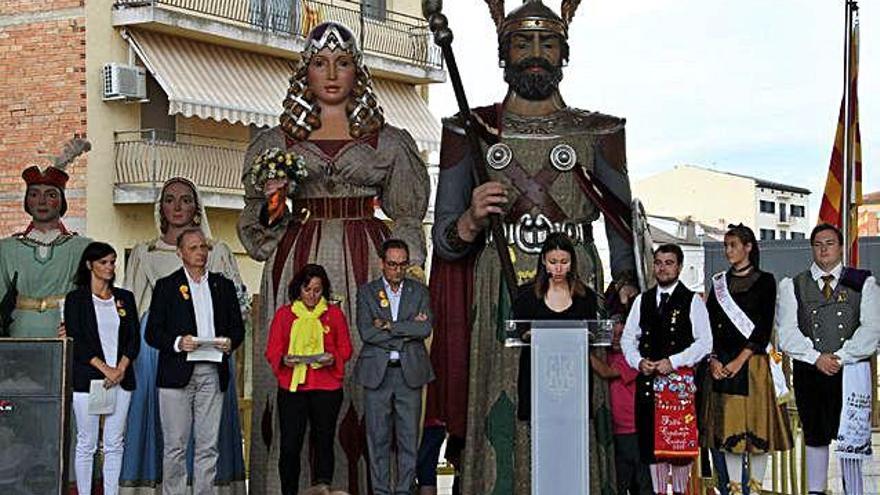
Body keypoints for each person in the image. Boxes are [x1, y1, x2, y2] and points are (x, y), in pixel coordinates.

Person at [425, 1, 639, 492]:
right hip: (499, 286)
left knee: (578, 400)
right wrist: (473, 216)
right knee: (505, 400)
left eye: (548, 43)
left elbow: (622, 228)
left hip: (580, 284)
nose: (536, 53)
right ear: (504, 52)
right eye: (523, 43)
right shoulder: (469, 129)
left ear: (565, 51)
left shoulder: (599, 130)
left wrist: (625, 297)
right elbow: (444, 242)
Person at [238, 21, 429, 492]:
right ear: (305, 73)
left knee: (365, 364)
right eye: (320, 63)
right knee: (294, 371)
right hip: (296, 259)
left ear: (356, 72)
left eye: (342, 63)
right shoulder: (275, 141)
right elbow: (260, 227)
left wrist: (410, 273)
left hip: (368, 256)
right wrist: (274, 200)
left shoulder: (389, 141)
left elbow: (407, 214)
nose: (331, 74)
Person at [120, 177, 246, 494]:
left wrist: (228, 340)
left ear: (197, 207)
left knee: (209, 438)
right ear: (160, 207)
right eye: (170, 199)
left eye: (186, 199)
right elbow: (131, 312)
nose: (177, 206)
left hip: (212, 353)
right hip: (159, 356)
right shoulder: (143, 252)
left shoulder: (218, 253)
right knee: (169, 436)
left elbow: (238, 311)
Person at [776, 223, 879, 495]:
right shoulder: (793, 285)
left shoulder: (862, 282)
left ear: (841, 247)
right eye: (818, 244)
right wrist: (816, 357)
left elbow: (871, 330)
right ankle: (816, 491)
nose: (824, 249)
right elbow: (786, 333)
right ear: (812, 248)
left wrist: (840, 358)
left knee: (851, 438)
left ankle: (853, 491)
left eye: (830, 243)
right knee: (815, 436)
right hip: (810, 371)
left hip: (851, 371)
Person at [145, 228, 245, 495]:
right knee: (175, 445)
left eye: (203, 247)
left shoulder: (222, 285)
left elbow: (238, 328)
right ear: (180, 253)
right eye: (193, 248)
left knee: (208, 445)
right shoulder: (167, 286)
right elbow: (152, 332)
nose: (200, 252)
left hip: (213, 370)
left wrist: (229, 342)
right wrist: (178, 342)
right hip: (176, 373)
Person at [705, 225, 792, 494]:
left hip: (752, 364)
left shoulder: (765, 280)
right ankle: (733, 488)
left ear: (748, 247)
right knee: (728, 432)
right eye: (726, 245)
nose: (728, 250)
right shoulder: (718, 283)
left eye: (733, 245)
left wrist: (739, 360)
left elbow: (763, 327)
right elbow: (709, 326)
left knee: (757, 432)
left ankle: (754, 489)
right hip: (722, 365)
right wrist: (714, 360)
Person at [621, 244, 712, 495]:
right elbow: (628, 339)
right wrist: (638, 361)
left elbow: (705, 343)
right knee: (652, 449)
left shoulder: (693, 300)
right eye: (659, 262)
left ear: (680, 267)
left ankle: (680, 491)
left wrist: (674, 361)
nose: (663, 268)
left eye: (669, 263)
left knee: (679, 450)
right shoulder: (642, 300)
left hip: (678, 389)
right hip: (649, 385)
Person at [354, 239, 434, 495]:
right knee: (377, 439)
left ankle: (403, 491)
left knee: (409, 439)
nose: (397, 270)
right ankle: (380, 492)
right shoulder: (366, 292)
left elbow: (424, 328)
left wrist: (389, 326)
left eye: (402, 265)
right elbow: (367, 332)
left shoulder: (420, 291)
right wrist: (407, 330)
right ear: (382, 264)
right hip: (377, 374)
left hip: (409, 373)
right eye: (392, 264)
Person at [265, 264, 353, 494]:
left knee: (324, 442)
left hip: (327, 388)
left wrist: (332, 359)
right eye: (307, 290)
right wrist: (284, 360)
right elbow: (272, 350)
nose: (312, 296)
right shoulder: (285, 315)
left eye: (317, 290)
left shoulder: (334, 314)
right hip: (293, 388)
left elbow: (346, 349)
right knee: (290, 446)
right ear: (298, 289)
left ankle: (324, 488)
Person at [65, 242, 140, 495]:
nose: (109, 267)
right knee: (86, 443)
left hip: (121, 379)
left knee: (114, 443)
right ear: (89, 265)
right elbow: (77, 339)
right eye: (104, 262)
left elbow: (133, 338)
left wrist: (120, 368)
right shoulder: (76, 299)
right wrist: (104, 369)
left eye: (112, 261)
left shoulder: (124, 298)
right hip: (89, 379)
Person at [0, 143, 92, 337]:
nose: (41, 201)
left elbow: (95, 300)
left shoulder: (83, 248)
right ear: (26, 200)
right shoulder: (7, 249)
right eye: (34, 194)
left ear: (62, 201)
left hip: (66, 331)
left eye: (50, 195)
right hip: (20, 333)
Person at [512, 232, 598, 421]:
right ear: (543, 260)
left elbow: (592, 335)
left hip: (574, 381)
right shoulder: (526, 297)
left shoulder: (586, 297)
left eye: (564, 262)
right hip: (537, 380)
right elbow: (520, 332)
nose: (558, 268)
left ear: (572, 262)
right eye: (553, 262)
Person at [591, 306, 653, 495]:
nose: (616, 338)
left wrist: (580, 348)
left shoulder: (634, 357)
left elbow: (606, 372)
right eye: (613, 333)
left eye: (622, 333)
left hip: (634, 430)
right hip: (613, 430)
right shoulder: (605, 355)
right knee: (620, 482)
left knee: (642, 484)